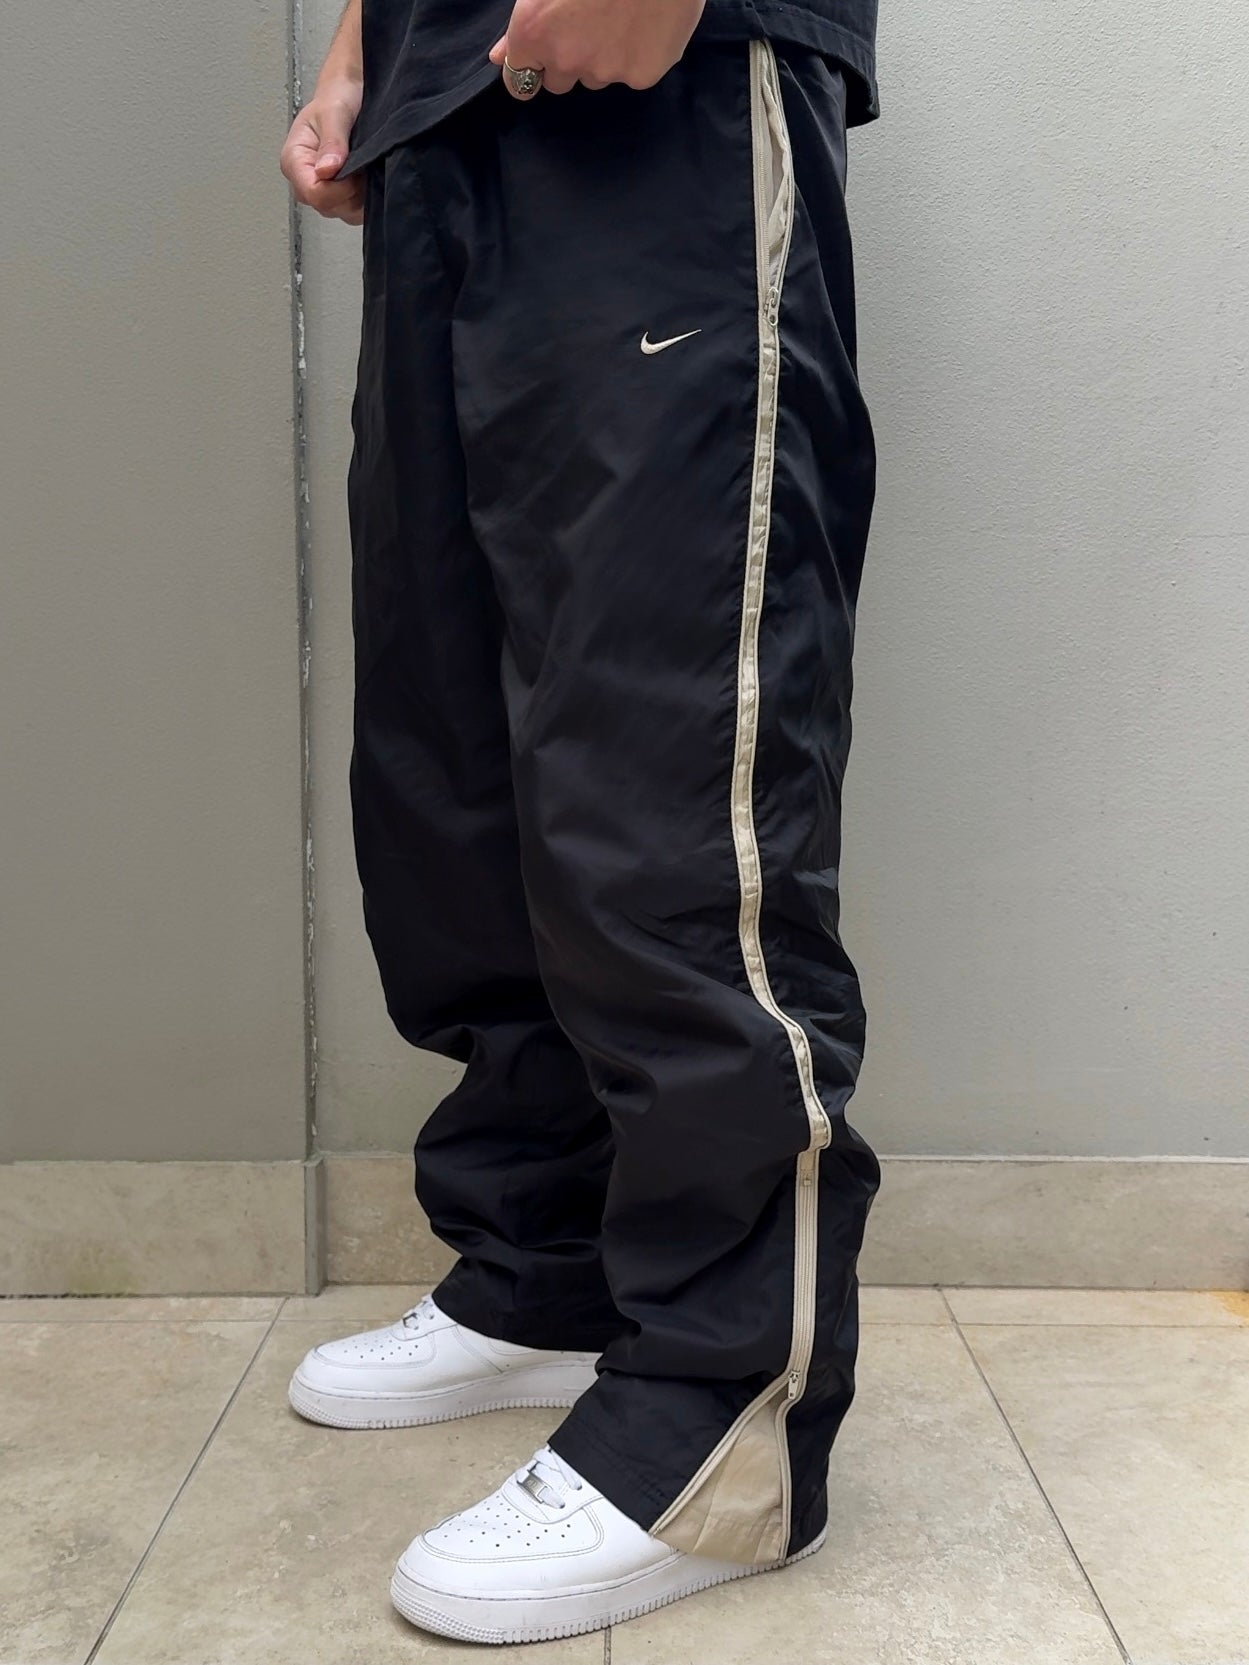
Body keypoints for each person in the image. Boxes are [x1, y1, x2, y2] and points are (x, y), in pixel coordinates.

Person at [280, 0, 882, 1643]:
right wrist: (362, 45)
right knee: (453, 768)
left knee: (664, 763)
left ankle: (719, 1406)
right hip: (443, 97)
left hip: (673, 76)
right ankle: (543, 1264)